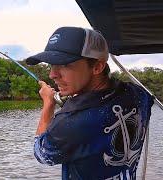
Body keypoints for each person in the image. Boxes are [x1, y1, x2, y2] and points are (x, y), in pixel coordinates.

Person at [25, 26, 154, 180]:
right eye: (51, 65)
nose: (52, 74)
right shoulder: (139, 94)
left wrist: (48, 105)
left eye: (65, 65)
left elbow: (42, 154)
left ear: (97, 67)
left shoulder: (72, 122)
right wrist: (79, 99)